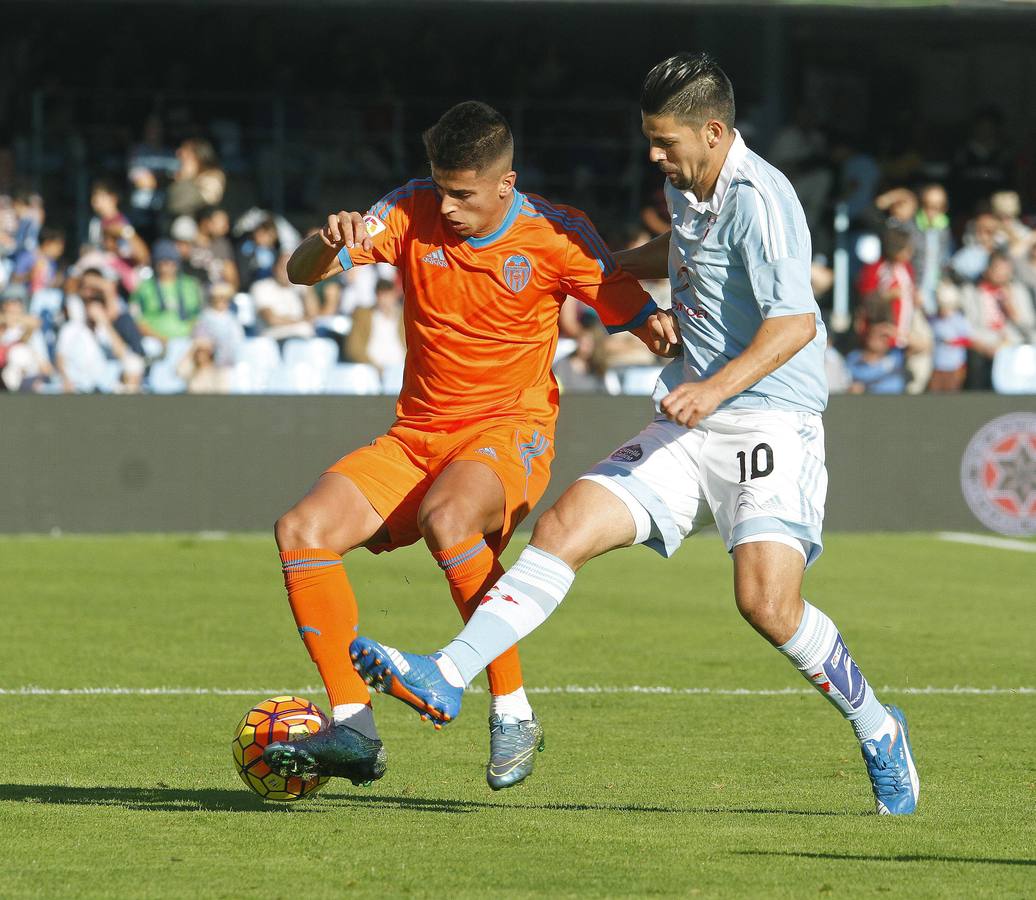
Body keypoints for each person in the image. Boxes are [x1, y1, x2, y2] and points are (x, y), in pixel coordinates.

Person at [352, 54, 920, 816]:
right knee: (563, 527)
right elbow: (681, 256)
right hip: (692, 417)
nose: (654, 157)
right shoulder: (687, 186)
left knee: (767, 605)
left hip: (769, 420)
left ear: (714, 132)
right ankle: (448, 674)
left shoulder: (765, 201)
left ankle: (880, 729)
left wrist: (711, 388)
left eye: (665, 142)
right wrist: (604, 268)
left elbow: (795, 324)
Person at [260, 100, 674, 791]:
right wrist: (324, 243)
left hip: (509, 434)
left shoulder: (555, 234)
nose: (446, 206)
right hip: (416, 436)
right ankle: (355, 727)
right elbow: (301, 274)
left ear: (505, 185)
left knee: (449, 519)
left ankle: (512, 713)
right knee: (301, 530)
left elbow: (641, 317)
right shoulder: (408, 208)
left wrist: (678, 333)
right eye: (440, 187)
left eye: (463, 193)